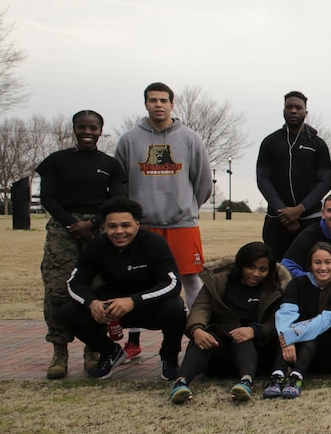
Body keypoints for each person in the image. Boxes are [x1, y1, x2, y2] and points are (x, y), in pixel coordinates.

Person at [113, 82, 213, 360]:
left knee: (191, 279)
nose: (158, 105)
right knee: (138, 283)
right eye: (152, 100)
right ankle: (133, 341)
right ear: (146, 104)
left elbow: (203, 182)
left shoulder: (190, 139)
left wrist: (187, 206)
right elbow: (119, 180)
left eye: (163, 100)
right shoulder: (129, 140)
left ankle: (199, 331)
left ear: (172, 104)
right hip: (142, 226)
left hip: (182, 223)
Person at [36, 110, 128, 379]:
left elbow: (118, 197)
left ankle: (94, 350)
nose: (87, 132)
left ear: (101, 130)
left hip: (99, 230)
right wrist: (71, 224)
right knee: (57, 290)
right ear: (74, 129)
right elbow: (48, 198)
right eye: (82, 127)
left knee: (98, 290)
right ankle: (59, 352)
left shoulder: (110, 165)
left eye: (93, 127)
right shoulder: (57, 161)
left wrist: (93, 223)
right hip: (63, 229)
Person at [59, 197, 186, 380]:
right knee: (69, 312)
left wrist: (133, 300)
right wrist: (92, 303)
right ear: (104, 226)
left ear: (137, 224)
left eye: (126, 225)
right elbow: (74, 282)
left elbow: (172, 283)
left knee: (175, 308)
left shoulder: (154, 243)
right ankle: (110, 352)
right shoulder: (96, 246)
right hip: (111, 308)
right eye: (112, 226)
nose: (119, 231)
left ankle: (169, 357)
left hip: (148, 305)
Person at [168, 242, 290, 404]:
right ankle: (181, 383)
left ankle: (245, 382)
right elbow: (201, 308)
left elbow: (277, 322)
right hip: (219, 350)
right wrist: (196, 329)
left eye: (262, 269)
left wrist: (255, 331)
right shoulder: (218, 282)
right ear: (241, 265)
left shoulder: (275, 289)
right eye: (251, 267)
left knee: (244, 339)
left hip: (257, 354)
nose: (256, 273)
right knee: (204, 339)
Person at [265, 242, 331, 399]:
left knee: (311, 332)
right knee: (285, 329)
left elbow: (324, 322)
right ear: (310, 265)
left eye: (328, 262)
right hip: (295, 352)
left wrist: (290, 336)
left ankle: (296, 378)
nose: (323, 268)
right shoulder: (297, 283)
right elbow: (285, 313)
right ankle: (277, 376)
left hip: (329, 353)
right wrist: (287, 339)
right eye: (317, 262)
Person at [255, 90, 331, 260]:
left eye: (298, 107)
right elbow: (263, 178)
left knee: (311, 267)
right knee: (276, 269)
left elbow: (326, 180)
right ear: (283, 111)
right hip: (277, 219)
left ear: (306, 112)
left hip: (310, 219)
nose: (293, 111)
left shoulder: (317, 144)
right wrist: (283, 212)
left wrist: (300, 209)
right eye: (289, 107)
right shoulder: (270, 142)